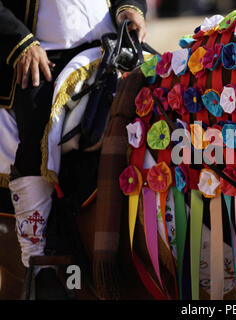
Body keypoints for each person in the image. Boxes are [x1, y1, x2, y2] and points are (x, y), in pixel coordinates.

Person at [0, 0, 147, 299]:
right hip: (40, 53)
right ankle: (38, 262)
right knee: (40, 130)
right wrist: (20, 40)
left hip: (110, 48)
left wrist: (129, 7)